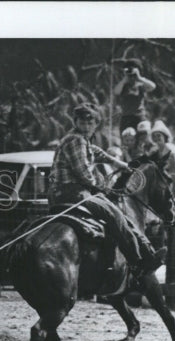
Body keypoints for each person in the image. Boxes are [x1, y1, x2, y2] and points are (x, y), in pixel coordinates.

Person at [48, 103, 166, 276]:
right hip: (73, 193)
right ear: (76, 122)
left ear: (96, 123)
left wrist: (119, 163)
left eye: (90, 123)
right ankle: (140, 260)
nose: (87, 126)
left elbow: (95, 152)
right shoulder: (77, 140)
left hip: (62, 192)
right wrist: (104, 188)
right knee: (116, 214)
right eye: (82, 122)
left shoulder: (77, 138)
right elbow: (84, 174)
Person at [113, 61, 157, 132]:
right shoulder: (123, 85)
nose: (131, 76)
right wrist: (125, 79)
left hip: (139, 116)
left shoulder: (141, 84)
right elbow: (116, 91)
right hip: (126, 116)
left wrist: (139, 78)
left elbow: (153, 87)